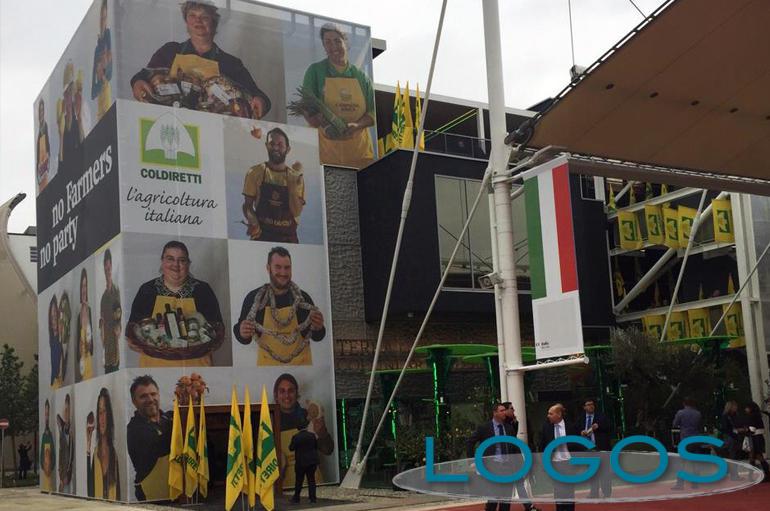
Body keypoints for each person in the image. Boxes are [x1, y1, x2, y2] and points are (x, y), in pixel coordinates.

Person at [130, 1, 270, 119]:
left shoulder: (230, 63)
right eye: (192, 15)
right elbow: (143, 76)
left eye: (204, 17)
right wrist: (138, 83)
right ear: (186, 21)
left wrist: (260, 101)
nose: (198, 20)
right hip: (171, 122)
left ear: (214, 23)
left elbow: (257, 95)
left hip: (215, 130)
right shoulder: (170, 51)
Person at [128, 241, 223, 367]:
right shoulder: (147, 290)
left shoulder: (202, 290)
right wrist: (138, 343)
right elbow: (132, 333)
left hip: (196, 367)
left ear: (188, 264)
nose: (176, 265)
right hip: (154, 368)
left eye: (182, 260)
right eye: (170, 259)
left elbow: (217, 332)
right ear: (162, 261)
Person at [298, 23, 375, 169]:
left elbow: (372, 112)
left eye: (337, 41)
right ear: (324, 46)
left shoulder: (362, 77)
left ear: (346, 43)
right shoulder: (315, 71)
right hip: (326, 154)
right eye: (327, 42)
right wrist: (323, 123)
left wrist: (357, 125)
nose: (333, 46)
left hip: (360, 154)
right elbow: (306, 106)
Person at [234, 246, 325, 365]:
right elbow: (242, 336)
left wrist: (318, 327)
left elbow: (318, 336)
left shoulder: (303, 299)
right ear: (268, 268)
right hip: (267, 366)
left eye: (287, 267)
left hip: (301, 365)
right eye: (278, 267)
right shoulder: (254, 298)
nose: (283, 273)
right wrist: (242, 332)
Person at [468, 402, 537, 511]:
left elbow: (514, 447)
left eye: (505, 410)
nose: (504, 412)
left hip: (507, 466)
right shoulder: (485, 428)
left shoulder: (509, 428)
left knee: (506, 498)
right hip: (492, 466)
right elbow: (470, 442)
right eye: (501, 411)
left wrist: (520, 464)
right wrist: (472, 460)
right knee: (494, 495)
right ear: (495, 413)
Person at [241, 128, 305, 243]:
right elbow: (247, 205)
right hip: (261, 236)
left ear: (288, 149)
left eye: (280, 145)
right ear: (266, 146)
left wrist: (292, 188)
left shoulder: (296, 177)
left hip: (288, 238)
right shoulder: (254, 172)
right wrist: (253, 222)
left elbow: (296, 212)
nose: (275, 148)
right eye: (272, 144)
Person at [272, 373, 334, 489]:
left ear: (297, 394)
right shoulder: (270, 421)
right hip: (285, 487)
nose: (287, 395)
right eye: (282, 391)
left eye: (291, 391)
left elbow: (328, 450)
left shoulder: (309, 416)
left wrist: (322, 434)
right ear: (276, 395)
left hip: (314, 483)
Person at [127, 375, 172, 501]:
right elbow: (160, 445)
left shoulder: (171, 418)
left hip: (180, 494)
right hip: (153, 498)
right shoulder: (134, 429)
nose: (150, 399)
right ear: (134, 401)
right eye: (143, 396)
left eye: (153, 394)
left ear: (159, 395)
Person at [540, 404, 579, 511]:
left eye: (551, 414)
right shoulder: (546, 427)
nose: (548, 416)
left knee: (569, 491)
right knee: (558, 492)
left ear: (559, 414)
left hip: (568, 462)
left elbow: (577, 444)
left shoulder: (571, 426)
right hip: (555, 463)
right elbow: (542, 445)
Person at [87, 388, 120, 500]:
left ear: (109, 415)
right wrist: (88, 444)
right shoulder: (96, 453)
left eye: (104, 412)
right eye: (99, 412)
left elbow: (118, 495)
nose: (102, 418)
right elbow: (90, 492)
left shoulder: (114, 454)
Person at [578, 399, 612, 498]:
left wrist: (599, 426)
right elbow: (575, 428)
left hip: (601, 448)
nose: (591, 406)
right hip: (589, 449)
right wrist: (581, 432)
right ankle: (594, 492)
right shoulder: (581, 418)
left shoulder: (601, 416)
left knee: (604, 471)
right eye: (588, 404)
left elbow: (609, 426)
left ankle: (606, 493)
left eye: (592, 404)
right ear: (584, 407)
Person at [57, 61, 87, 171]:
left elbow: (83, 145)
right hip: (68, 171)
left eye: (71, 91)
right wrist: (61, 136)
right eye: (67, 93)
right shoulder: (62, 121)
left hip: (80, 169)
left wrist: (79, 121)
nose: (69, 96)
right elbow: (61, 161)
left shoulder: (78, 115)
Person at [671, 397, 703, 489]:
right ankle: (695, 483)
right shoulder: (698, 413)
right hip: (695, 438)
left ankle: (680, 484)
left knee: (682, 463)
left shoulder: (680, 413)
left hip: (685, 439)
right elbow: (700, 426)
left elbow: (675, 424)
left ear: (684, 403)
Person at [99, 249, 121, 373]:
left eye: (109, 267)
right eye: (106, 268)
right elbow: (101, 323)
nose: (108, 271)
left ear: (111, 267)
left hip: (115, 351)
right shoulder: (103, 297)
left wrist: (118, 330)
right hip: (105, 351)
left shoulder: (116, 291)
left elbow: (119, 319)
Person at [91, 0, 112, 120]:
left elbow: (109, 63)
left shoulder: (108, 40)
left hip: (105, 84)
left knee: (106, 114)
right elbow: (94, 71)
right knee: (101, 116)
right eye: (101, 19)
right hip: (100, 86)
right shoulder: (98, 47)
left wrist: (104, 75)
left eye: (104, 18)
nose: (103, 21)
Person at [289, 419, 319, 504]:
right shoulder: (312, 435)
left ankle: (296, 498)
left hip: (300, 462)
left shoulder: (296, 437)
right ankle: (313, 499)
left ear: (298, 428)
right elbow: (316, 446)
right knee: (311, 480)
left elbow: (291, 448)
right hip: (312, 461)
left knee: (299, 480)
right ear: (306, 427)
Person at [77, 268, 94, 382]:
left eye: (86, 286)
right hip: (81, 365)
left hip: (89, 362)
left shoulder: (90, 311)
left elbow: (91, 345)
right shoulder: (78, 315)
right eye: (82, 286)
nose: (84, 289)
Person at [744, 401, 769, 480]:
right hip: (759, 437)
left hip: (754, 438)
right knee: (758, 455)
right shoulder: (758, 416)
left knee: (753, 456)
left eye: (746, 408)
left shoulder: (751, 416)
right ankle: (766, 473)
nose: (745, 409)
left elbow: (752, 429)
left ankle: (751, 476)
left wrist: (745, 430)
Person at [719, 400, 743, 480]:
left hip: (735, 436)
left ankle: (733, 474)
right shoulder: (726, 416)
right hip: (731, 436)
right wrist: (735, 430)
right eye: (734, 406)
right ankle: (734, 475)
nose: (736, 407)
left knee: (735, 455)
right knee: (732, 455)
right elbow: (725, 428)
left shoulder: (735, 415)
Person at [57, 393, 75, 493]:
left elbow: (70, 455)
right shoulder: (62, 432)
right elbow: (61, 454)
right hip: (64, 473)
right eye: (65, 411)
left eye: (68, 411)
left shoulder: (72, 430)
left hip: (69, 473)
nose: (66, 414)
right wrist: (61, 474)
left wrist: (66, 474)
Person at [40, 400, 56, 492]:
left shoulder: (49, 435)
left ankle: (49, 488)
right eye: (45, 413)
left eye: (47, 413)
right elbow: (42, 452)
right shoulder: (44, 436)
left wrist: (51, 465)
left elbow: (52, 453)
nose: (46, 416)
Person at [36, 99, 51, 189]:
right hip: (41, 174)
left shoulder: (45, 127)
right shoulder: (38, 133)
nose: (41, 113)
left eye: (42, 110)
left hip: (45, 174)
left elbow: (48, 149)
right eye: (39, 111)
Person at [48, 295, 63, 388]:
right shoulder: (52, 339)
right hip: (54, 382)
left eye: (55, 315)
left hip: (61, 381)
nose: (53, 319)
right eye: (51, 317)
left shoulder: (60, 336)